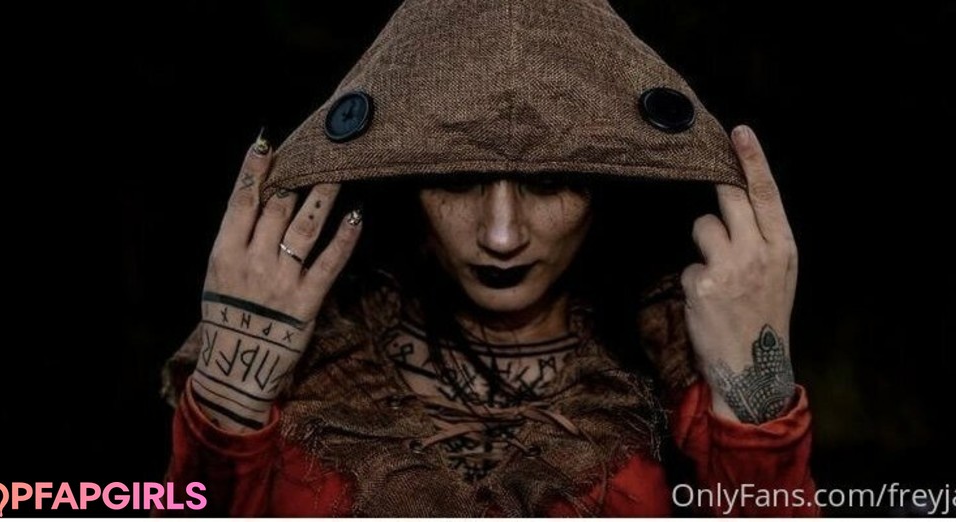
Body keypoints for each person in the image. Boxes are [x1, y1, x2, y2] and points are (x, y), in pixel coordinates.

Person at [160, 0, 816, 516]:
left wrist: (754, 396)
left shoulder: (675, 363)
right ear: (401, 183)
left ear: (603, 188)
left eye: (549, 182)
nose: (502, 235)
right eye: (456, 180)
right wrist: (229, 406)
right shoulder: (303, 354)